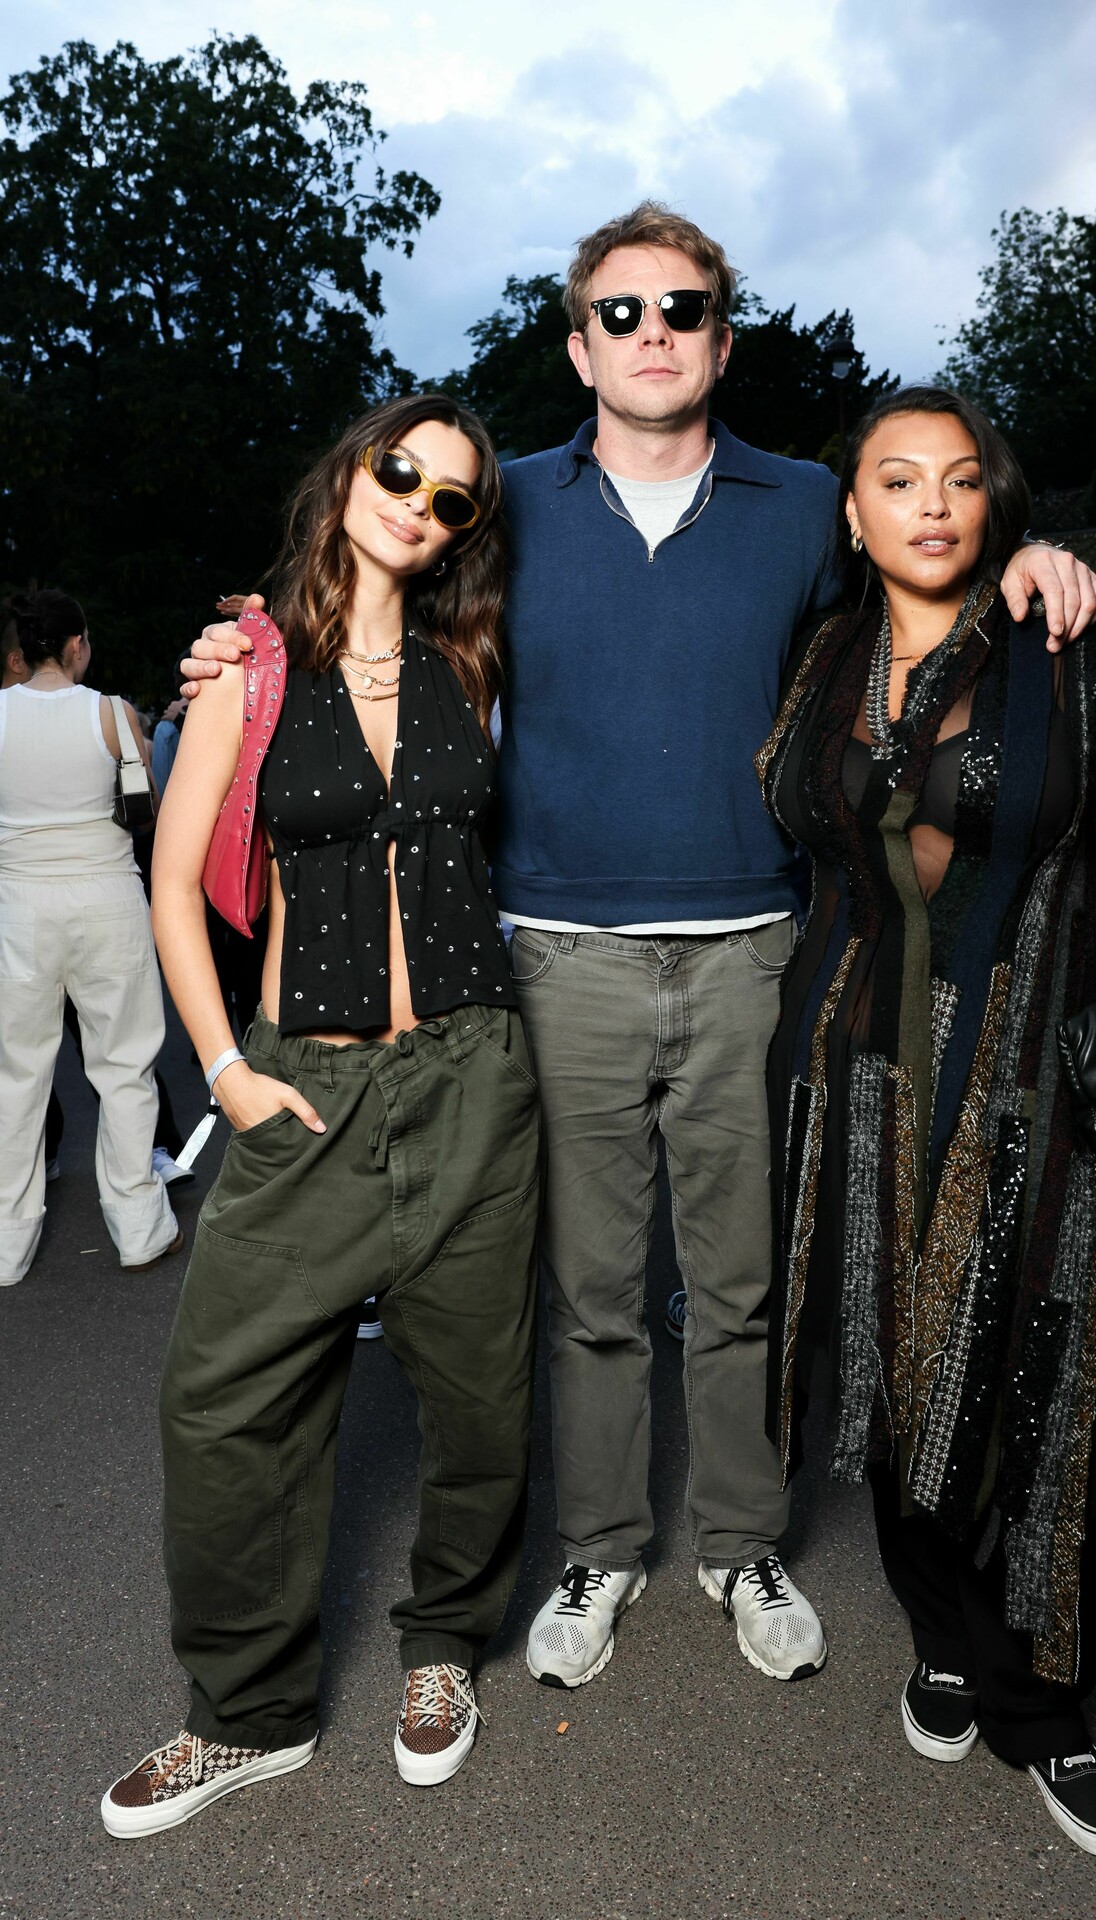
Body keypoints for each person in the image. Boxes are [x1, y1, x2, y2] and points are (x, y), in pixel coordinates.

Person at [180, 202, 1096, 1698]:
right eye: (620, 313)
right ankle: (601, 1546)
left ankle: (742, 1541)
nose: (652, 333)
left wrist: (1035, 559)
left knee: (739, 1287)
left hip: (752, 950)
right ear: (578, 349)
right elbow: (367, 586)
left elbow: (923, 575)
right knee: (591, 1291)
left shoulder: (803, 502)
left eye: (682, 309)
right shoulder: (506, 510)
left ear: (722, 341)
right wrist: (240, 647)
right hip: (558, 959)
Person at [757, 387, 1096, 1858]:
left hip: (1034, 1078)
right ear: (853, 514)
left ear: (994, 505)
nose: (932, 503)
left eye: (960, 480)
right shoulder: (820, 658)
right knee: (893, 1374)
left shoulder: (1066, 647)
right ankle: (945, 1639)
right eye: (897, 480)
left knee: (1041, 1378)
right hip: (853, 1071)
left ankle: (1045, 1701)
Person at [100, 394, 540, 1838]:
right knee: (223, 1398)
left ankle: (444, 1643)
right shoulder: (249, 666)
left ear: (465, 532)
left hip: (475, 1075)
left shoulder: (471, 660)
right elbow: (172, 887)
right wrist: (226, 1070)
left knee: (481, 1397)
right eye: (400, 469)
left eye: (453, 497)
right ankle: (246, 1715)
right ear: (351, 473)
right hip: (310, 1081)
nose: (419, 502)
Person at [0, 591, 181, 1284]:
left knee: (18, 1076)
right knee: (124, 1065)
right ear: (75, 644)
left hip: (20, 906)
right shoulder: (112, 712)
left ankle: (7, 1245)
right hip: (107, 901)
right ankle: (139, 1229)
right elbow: (146, 807)